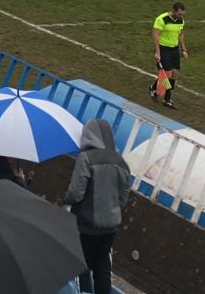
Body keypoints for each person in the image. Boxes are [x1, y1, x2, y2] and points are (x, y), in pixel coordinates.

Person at [62, 118, 131, 294]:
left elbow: (76, 192)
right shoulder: (121, 162)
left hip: (85, 225)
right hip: (110, 227)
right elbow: (123, 196)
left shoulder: (86, 158)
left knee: (79, 266)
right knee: (102, 268)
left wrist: (66, 201)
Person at [151, 2, 187, 109]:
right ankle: (155, 89)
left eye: (182, 14)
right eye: (180, 14)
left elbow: (180, 34)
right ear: (174, 11)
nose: (181, 16)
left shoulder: (180, 20)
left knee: (174, 74)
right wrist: (157, 51)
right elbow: (155, 34)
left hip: (174, 49)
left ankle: (166, 99)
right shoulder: (161, 19)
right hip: (164, 49)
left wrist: (183, 49)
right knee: (167, 74)